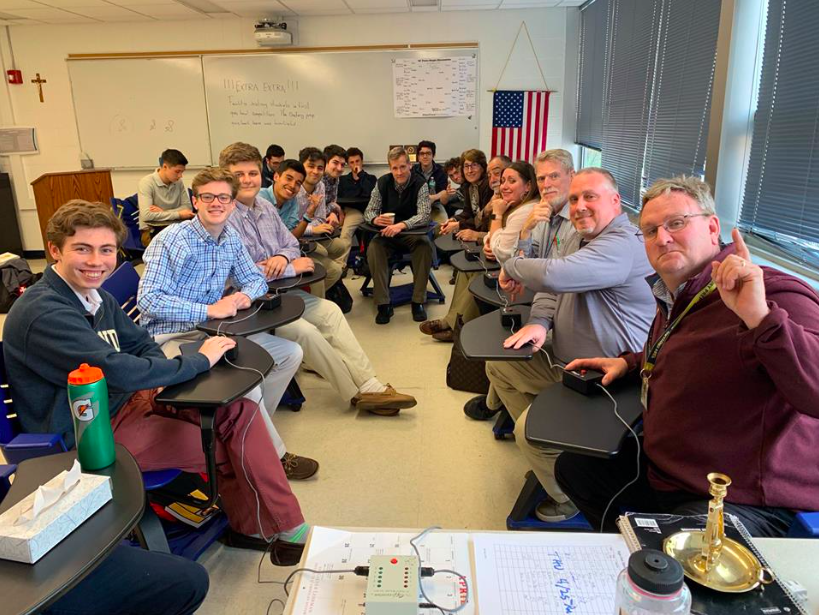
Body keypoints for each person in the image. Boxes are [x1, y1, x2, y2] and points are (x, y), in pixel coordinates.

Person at [3, 200, 308, 564]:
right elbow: (116, 369)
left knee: (237, 411)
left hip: (126, 400)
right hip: (89, 431)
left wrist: (159, 377)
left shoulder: (92, 295)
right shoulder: (45, 311)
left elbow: (140, 343)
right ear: (54, 250)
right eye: (82, 249)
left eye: (106, 250)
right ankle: (278, 528)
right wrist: (195, 361)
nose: (97, 261)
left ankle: (266, 524)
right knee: (226, 445)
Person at [556, 176, 819, 537]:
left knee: (680, 562)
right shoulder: (676, 292)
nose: (662, 238)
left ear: (713, 227)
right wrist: (631, 363)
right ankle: (629, 550)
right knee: (574, 469)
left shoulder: (772, 292)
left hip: (734, 494)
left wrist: (760, 318)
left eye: (677, 223)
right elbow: (684, 352)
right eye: (650, 231)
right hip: (667, 470)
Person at [485, 168, 655, 522]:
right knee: (498, 365)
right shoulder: (582, 237)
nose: (579, 206)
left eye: (589, 197)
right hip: (565, 359)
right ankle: (555, 453)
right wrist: (538, 322)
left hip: (607, 377)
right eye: (575, 198)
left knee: (525, 432)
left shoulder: (622, 243)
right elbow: (551, 289)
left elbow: (553, 274)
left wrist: (513, 266)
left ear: (615, 201)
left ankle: (568, 494)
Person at [138, 167, 319, 483]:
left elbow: (254, 280)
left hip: (214, 330)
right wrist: (209, 308)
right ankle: (273, 457)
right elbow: (149, 301)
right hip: (169, 336)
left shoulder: (230, 237)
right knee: (245, 380)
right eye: (208, 196)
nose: (216, 203)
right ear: (195, 201)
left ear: (233, 204)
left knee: (289, 354)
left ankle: (248, 437)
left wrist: (243, 297)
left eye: (224, 197)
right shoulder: (171, 241)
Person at [220, 141, 417, 415]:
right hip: (249, 304)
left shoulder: (264, 209)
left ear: (260, 173)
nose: (246, 180)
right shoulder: (224, 217)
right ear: (226, 178)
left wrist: (281, 258)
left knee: (331, 311)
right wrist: (290, 267)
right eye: (238, 175)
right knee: (306, 331)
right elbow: (243, 275)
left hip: (278, 292)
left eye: (252, 173)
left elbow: (289, 243)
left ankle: (369, 384)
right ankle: (358, 395)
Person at [462, 149, 576, 416]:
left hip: (569, 329)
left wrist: (514, 269)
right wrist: (526, 232)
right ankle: (505, 407)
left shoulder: (580, 224)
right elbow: (525, 257)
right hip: (545, 304)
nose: (546, 184)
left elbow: (555, 273)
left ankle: (532, 424)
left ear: (573, 176)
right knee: (498, 358)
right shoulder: (544, 216)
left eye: (554, 177)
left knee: (500, 358)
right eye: (542, 178)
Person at [421, 149, 494, 342]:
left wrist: (461, 225)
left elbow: (481, 222)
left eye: (474, 165)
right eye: (467, 166)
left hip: (489, 244)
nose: (469, 170)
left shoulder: (489, 188)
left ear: (482, 166)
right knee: (463, 271)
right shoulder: (470, 188)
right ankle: (452, 321)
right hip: (484, 241)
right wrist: (454, 220)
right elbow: (469, 215)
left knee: (476, 273)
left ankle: (455, 327)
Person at [365, 146, 433, 325]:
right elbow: (369, 211)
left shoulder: (420, 184)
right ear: (389, 168)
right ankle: (383, 303)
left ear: (410, 165)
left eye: (403, 167)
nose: (399, 172)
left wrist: (402, 225)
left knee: (425, 246)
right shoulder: (382, 182)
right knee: (374, 247)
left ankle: (418, 301)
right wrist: (375, 220)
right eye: (395, 168)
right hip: (388, 234)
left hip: (411, 232)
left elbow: (425, 215)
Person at [260, 160, 342, 298]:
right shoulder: (260, 199)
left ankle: (302, 300)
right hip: (267, 260)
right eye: (289, 178)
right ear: (276, 176)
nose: (292, 186)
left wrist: (308, 214)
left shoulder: (292, 202)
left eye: (298, 183)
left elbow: (293, 236)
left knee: (334, 270)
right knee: (316, 277)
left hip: (287, 252)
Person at [294, 146, 351, 311]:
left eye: (319, 167)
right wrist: (313, 229)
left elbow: (320, 216)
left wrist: (318, 225)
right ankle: (313, 305)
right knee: (323, 258)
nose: (315, 171)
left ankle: (308, 302)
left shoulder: (320, 186)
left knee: (337, 264)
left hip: (310, 235)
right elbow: (289, 228)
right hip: (295, 240)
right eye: (310, 166)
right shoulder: (294, 189)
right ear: (301, 167)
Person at [137, 148, 194, 247]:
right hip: (153, 231)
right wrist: (179, 214)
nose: (180, 176)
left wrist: (163, 212)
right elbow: (146, 215)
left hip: (176, 227)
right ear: (164, 166)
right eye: (177, 171)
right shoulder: (146, 183)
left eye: (182, 172)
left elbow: (187, 208)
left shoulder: (178, 182)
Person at [484, 161, 539, 263]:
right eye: (503, 181)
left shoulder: (526, 211)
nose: (504, 187)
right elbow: (490, 235)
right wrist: (488, 243)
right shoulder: (513, 205)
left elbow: (501, 252)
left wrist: (497, 213)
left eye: (512, 181)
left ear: (528, 186)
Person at [338, 146, 377, 260]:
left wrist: (361, 175)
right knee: (342, 231)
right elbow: (341, 198)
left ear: (362, 161)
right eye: (352, 162)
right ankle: (338, 263)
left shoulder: (370, 178)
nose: (355, 164)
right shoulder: (343, 180)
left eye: (357, 161)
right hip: (348, 211)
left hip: (365, 211)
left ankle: (342, 263)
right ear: (348, 164)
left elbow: (370, 193)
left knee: (347, 232)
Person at [412, 140, 450, 224]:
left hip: (435, 206)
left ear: (433, 155)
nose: (425, 156)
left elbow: (444, 192)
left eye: (428, 153)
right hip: (416, 206)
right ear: (418, 156)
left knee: (443, 225)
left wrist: (433, 197)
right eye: (422, 154)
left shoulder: (441, 171)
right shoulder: (412, 171)